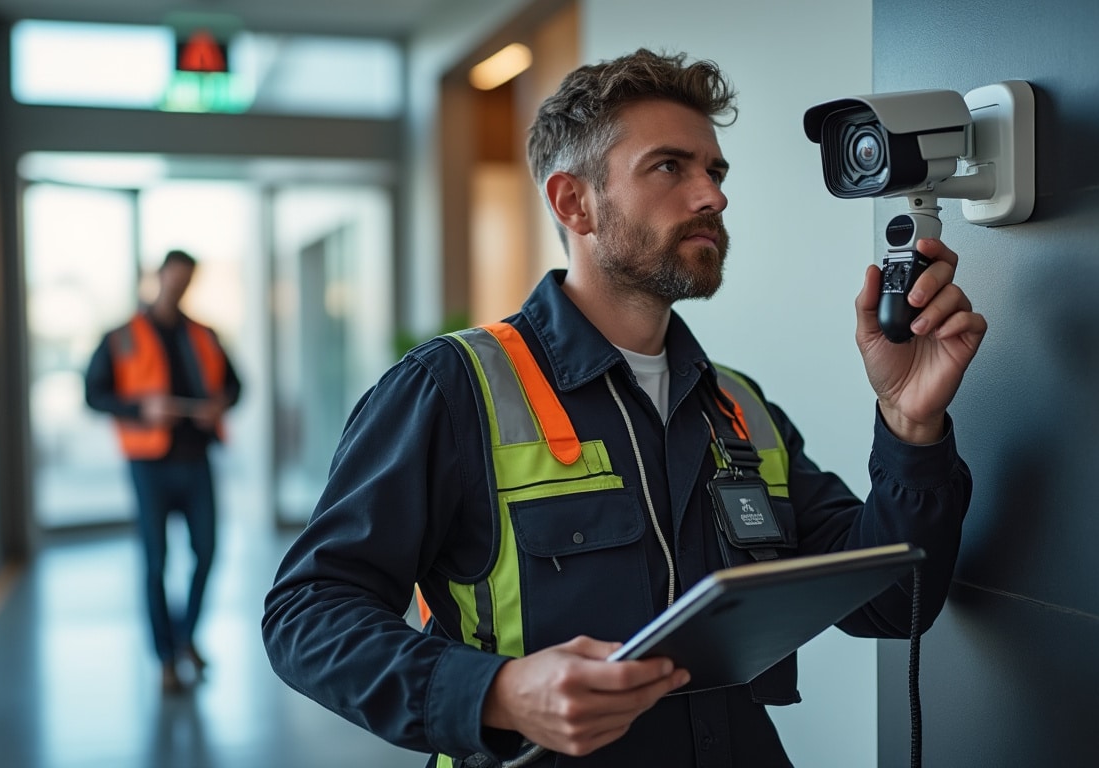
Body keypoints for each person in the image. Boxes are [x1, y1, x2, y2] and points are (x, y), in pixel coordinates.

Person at [263, 49, 983, 767]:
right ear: (574, 203)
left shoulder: (737, 408)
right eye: (671, 167)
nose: (712, 196)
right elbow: (308, 613)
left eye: (715, 171)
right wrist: (498, 693)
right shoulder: (452, 389)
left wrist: (909, 423)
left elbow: (893, 601)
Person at [86, 249, 243, 694]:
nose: (178, 288)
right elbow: (94, 393)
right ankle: (166, 657)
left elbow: (235, 385)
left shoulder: (204, 335)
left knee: (207, 552)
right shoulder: (121, 337)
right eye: (172, 280)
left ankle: (185, 636)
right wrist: (140, 408)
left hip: (196, 461)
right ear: (158, 278)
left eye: (186, 281)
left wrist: (220, 404)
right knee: (156, 562)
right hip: (149, 466)